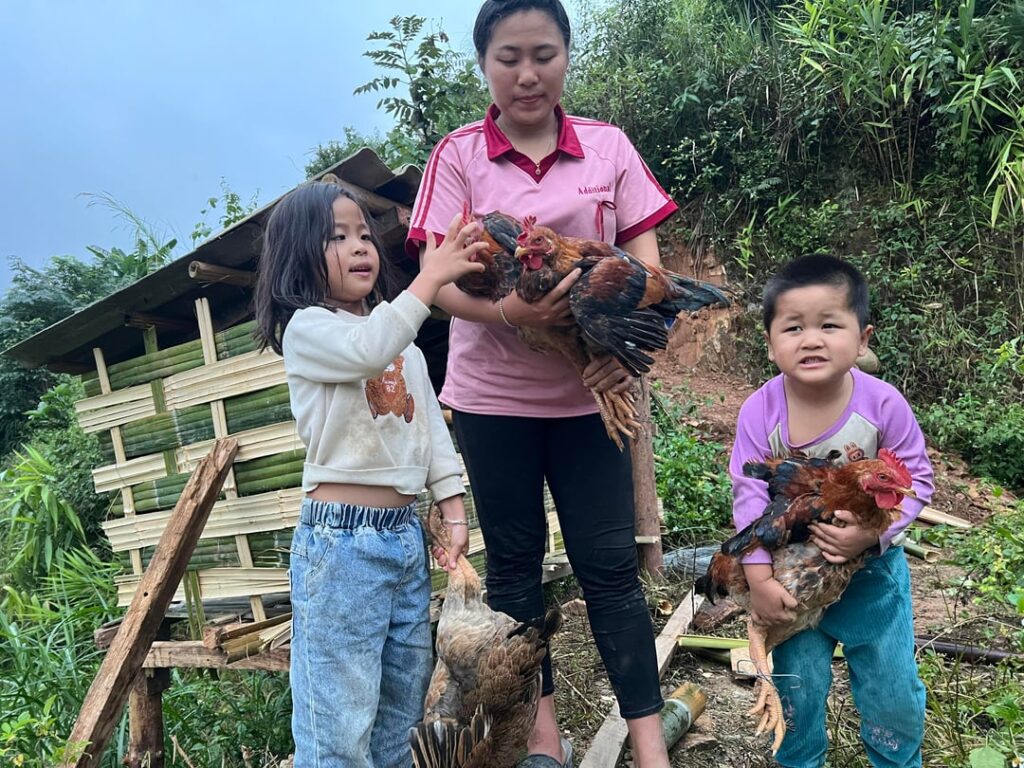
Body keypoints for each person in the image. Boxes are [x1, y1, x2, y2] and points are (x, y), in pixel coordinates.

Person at [406, 2, 678, 766]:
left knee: (611, 570)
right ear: (484, 64)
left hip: (590, 400)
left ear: (566, 55)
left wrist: (620, 359)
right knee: (515, 572)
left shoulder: (608, 148)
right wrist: (510, 312)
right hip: (493, 402)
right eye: (509, 58)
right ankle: (543, 742)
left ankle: (650, 748)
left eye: (544, 54)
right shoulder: (457, 156)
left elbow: (649, 274)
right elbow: (436, 278)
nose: (527, 74)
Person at [254, 181, 489, 768]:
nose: (360, 245)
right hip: (342, 545)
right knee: (339, 712)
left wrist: (452, 506)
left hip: (403, 537)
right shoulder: (309, 329)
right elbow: (366, 349)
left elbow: (430, 429)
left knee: (401, 703)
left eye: (364, 234)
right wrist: (430, 278)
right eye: (337, 237)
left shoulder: (405, 347)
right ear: (298, 257)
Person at [730, 254, 933, 768]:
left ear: (862, 339)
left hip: (871, 574)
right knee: (798, 689)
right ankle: (799, 761)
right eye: (793, 327)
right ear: (770, 343)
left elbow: (917, 482)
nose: (811, 340)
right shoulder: (760, 410)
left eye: (829, 325)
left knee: (892, 688)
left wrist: (871, 536)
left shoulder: (884, 404)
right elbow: (749, 496)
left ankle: (896, 758)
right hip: (790, 579)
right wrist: (759, 578)